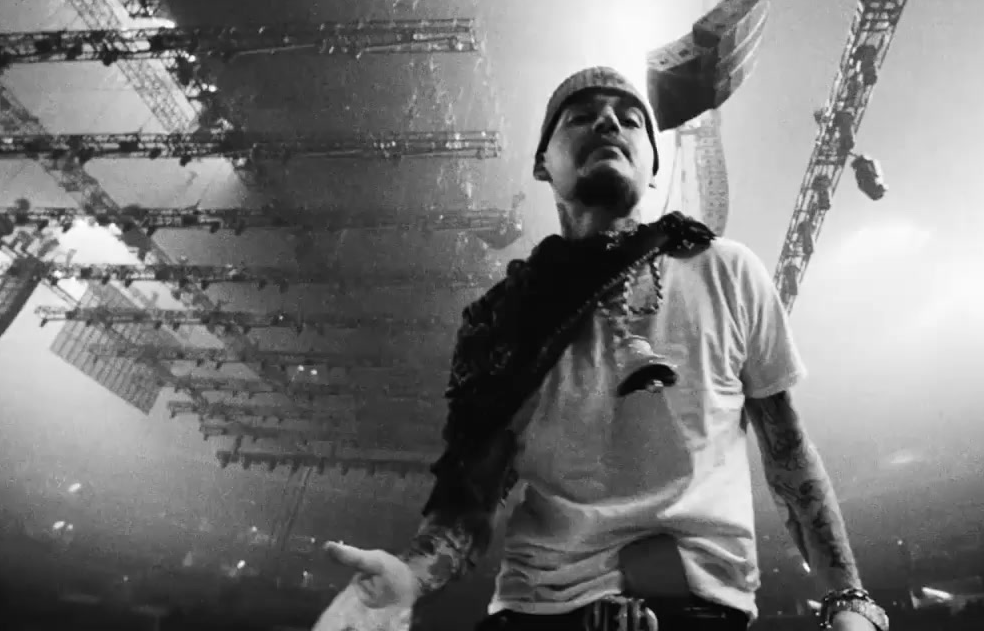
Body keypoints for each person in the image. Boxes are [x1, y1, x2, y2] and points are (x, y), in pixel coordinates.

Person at [313, 68, 889, 631]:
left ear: (653, 165)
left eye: (632, 120)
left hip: (697, 608)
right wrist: (411, 577)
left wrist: (849, 596)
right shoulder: (502, 321)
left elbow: (787, 453)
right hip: (538, 612)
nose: (610, 123)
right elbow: (471, 496)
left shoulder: (727, 271)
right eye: (581, 116)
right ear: (543, 163)